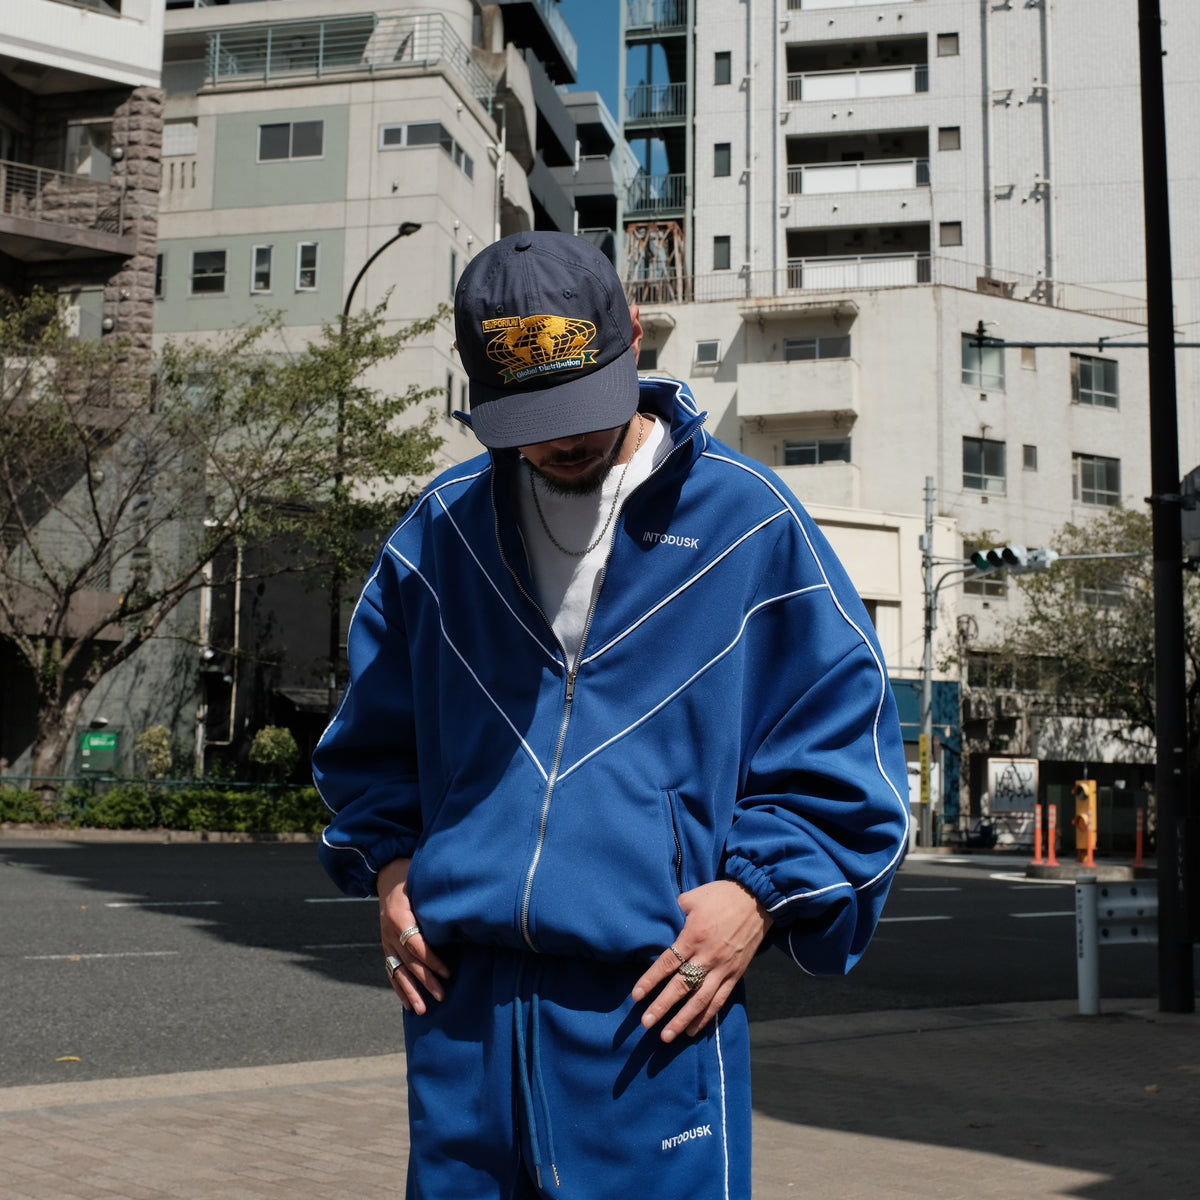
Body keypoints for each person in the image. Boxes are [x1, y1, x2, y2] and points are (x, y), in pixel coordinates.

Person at [313, 230, 909, 1199]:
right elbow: (374, 738)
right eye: (527, 417)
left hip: (655, 997)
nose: (561, 438)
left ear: (633, 334)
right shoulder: (440, 531)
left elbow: (843, 744)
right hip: (460, 1001)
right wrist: (389, 870)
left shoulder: (747, 525)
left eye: (582, 402)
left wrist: (757, 894)